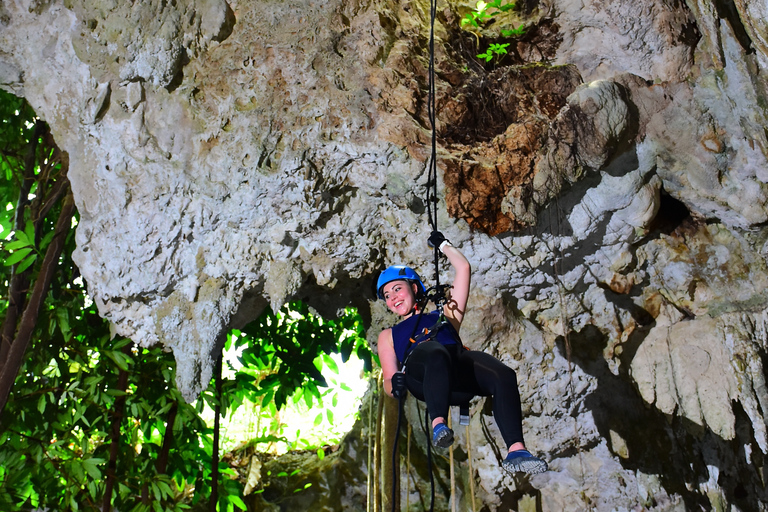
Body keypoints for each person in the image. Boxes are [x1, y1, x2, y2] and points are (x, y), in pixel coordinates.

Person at [376, 231, 548, 475]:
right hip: (422, 378)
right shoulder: (388, 335)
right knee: (434, 352)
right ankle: (439, 425)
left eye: (397, 289)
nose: (393, 297)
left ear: (414, 288)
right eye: (387, 295)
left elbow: (464, 268)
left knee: (503, 375)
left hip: (456, 375)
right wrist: (395, 385)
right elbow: (388, 380)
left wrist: (443, 245)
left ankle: (516, 450)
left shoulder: (445, 314)